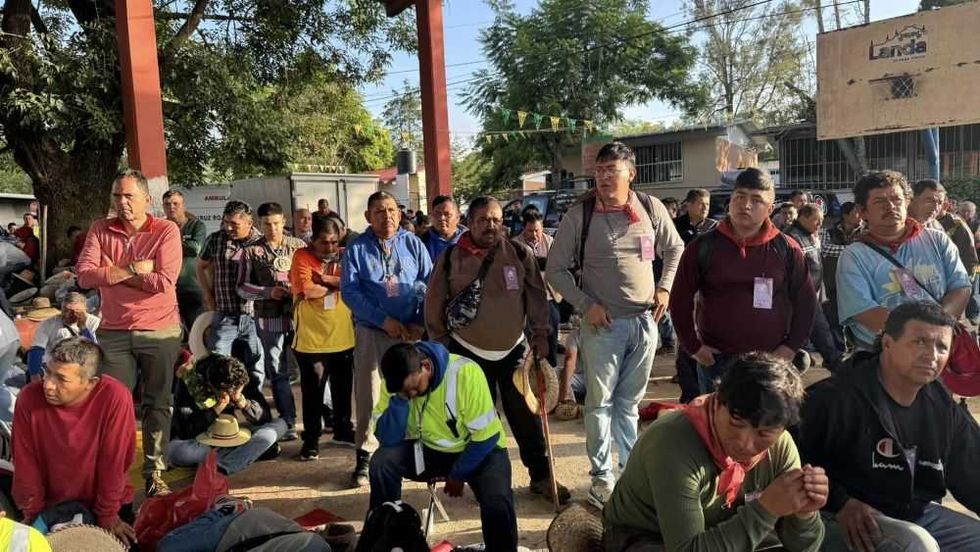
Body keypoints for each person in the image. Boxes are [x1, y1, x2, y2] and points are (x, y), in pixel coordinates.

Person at [546, 142, 684, 507]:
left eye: (613, 170)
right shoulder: (582, 214)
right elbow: (555, 270)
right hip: (602, 326)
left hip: (644, 321)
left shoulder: (651, 208)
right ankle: (602, 480)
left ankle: (631, 477)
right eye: (600, 170)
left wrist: (665, 287)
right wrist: (585, 304)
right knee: (599, 404)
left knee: (629, 404)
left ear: (631, 174)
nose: (605, 177)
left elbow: (676, 248)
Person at [798, 302, 980, 551]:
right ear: (887, 343)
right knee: (917, 545)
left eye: (941, 347)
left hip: (913, 512)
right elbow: (787, 462)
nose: (932, 354)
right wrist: (840, 502)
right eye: (920, 342)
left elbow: (971, 469)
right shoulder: (834, 398)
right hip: (841, 517)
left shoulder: (941, 404)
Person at [604, 353, 827, 552]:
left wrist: (804, 513)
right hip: (645, 536)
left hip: (722, 533)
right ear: (718, 401)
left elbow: (804, 546)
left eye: (763, 434)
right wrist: (766, 509)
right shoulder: (673, 443)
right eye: (736, 422)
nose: (745, 443)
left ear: (781, 429)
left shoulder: (781, 449)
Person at [425, 196, 569, 504]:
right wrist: (442, 348)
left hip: (513, 350)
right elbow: (433, 304)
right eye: (483, 220)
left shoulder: (519, 253)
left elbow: (535, 297)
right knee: (479, 420)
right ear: (470, 222)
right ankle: (485, 480)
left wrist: (541, 334)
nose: (490, 226)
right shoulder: (452, 257)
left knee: (526, 418)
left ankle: (541, 476)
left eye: (496, 220)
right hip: (466, 353)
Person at [75, 169, 183, 497]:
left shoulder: (165, 230)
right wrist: (135, 268)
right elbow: (83, 277)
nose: (121, 203)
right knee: (114, 407)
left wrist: (111, 271)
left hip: (159, 330)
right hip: (114, 332)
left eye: (128, 196)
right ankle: (114, 478)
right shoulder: (100, 228)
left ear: (146, 200)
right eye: (116, 197)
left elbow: (164, 282)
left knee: (158, 404)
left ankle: (155, 472)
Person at [670, 168, 816, 394]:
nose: (745, 205)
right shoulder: (703, 247)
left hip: (770, 361)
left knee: (766, 425)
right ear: (731, 201)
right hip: (716, 361)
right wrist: (694, 347)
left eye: (756, 200)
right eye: (740, 197)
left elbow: (806, 302)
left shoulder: (787, 249)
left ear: (770, 208)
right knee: (719, 426)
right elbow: (680, 298)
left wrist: (790, 347)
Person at [369, 341, 517, 552]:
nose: (412, 394)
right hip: (430, 449)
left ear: (426, 367)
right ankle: (385, 534)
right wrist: (401, 400)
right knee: (382, 462)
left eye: (414, 388)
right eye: (405, 391)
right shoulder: (397, 382)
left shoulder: (465, 373)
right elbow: (388, 439)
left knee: (497, 499)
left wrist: (458, 474)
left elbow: (486, 437)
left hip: (479, 450)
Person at [340, 190, 433, 487]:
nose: (387, 216)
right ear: (368, 216)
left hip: (408, 331)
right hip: (372, 331)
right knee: (369, 393)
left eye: (392, 209)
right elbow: (350, 292)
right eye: (379, 211)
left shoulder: (413, 243)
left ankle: (412, 448)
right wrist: (384, 320)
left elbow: (429, 284)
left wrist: (419, 322)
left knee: (412, 388)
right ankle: (365, 455)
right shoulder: (357, 248)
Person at [12, 338, 137, 546]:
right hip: (49, 507)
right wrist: (35, 516)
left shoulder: (115, 397)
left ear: (91, 383)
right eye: (47, 372)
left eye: (61, 379)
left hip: (107, 503)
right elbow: (26, 463)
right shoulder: (28, 398)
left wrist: (107, 515)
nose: (48, 384)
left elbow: (113, 462)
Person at [836, 171, 971, 351]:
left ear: (908, 202)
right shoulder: (853, 256)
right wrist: (918, 337)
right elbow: (865, 312)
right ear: (862, 211)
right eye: (880, 202)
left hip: (939, 350)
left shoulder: (938, 240)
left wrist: (936, 330)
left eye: (897, 199)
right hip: (884, 357)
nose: (890, 206)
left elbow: (960, 287)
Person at [236, 202, 304, 441]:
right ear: (259, 224)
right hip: (269, 318)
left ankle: (324, 415)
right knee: (277, 370)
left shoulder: (299, 246)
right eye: (267, 224)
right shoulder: (251, 251)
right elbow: (242, 287)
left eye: (276, 223)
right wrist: (267, 291)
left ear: (284, 221)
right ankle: (288, 420)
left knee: (311, 366)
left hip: (300, 316)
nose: (272, 228)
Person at [289, 217, 356, 460]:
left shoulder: (346, 256)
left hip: (342, 336)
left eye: (334, 242)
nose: (329, 247)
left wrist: (326, 280)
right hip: (310, 340)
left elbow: (354, 283)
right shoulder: (301, 257)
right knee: (313, 391)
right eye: (324, 242)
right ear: (312, 240)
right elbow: (307, 291)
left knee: (343, 389)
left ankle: (343, 429)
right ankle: (311, 439)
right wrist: (339, 285)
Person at [169, 354, 285, 475]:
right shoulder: (190, 381)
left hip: (233, 438)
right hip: (201, 443)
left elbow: (264, 418)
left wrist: (243, 402)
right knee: (177, 452)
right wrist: (217, 409)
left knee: (280, 425)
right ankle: (240, 456)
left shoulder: (239, 376)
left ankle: (223, 464)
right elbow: (185, 431)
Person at [197, 201, 265, 396]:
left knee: (256, 365)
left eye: (234, 224)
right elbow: (200, 267)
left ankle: (254, 406)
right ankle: (222, 409)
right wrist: (207, 294)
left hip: (255, 317)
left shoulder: (261, 243)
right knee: (218, 363)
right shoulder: (215, 240)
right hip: (225, 315)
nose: (228, 227)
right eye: (226, 222)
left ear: (249, 222)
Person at [671, 188, 718, 403]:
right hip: (680, 288)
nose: (704, 208)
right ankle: (689, 394)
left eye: (707, 204)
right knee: (685, 341)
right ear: (688, 204)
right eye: (700, 203)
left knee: (704, 339)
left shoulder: (714, 228)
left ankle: (704, 394)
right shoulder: (675, 226)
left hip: (707, 291)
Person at [786, 204, 843, 372]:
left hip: (814, 291)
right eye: (816, 220)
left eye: (821, 221)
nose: (820, 224)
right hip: (802, 294)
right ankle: (834, 361)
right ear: (803, 217)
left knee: (814, 330)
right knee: (821, 329)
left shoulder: (810, 235)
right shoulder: (792, 238)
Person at [513, 209, 561, 366]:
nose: (534, 234)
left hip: (548, 295)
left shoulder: (550, 242)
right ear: (523, 228)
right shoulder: (515, 244)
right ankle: (531, 370)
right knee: (528, 336)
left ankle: (552, 368)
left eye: (537, 230)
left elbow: (557, 266)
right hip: (525, 299)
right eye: (530, 230)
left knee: (552, 331)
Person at [162, 189, 208, 331]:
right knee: (172, 331)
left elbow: (195, 249)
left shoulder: (196, 226)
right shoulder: (160, 227)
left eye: (176, 203)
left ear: (184, 205)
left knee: (196, 331)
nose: (172, 207)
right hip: (167, 289)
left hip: (191, 288)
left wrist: (169, 242)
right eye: (167, 204)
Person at [27, 292, 100, 380]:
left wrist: (83, 328)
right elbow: (36, 350)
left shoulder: (94, 323)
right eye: (65, 310)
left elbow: (93, 351)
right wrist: (34, 375)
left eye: (73, 312)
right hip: (54, 364)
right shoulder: (49, 323)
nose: (67, 315)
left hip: (81, 365)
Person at [820, 201, 863, 350]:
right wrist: (852, 250)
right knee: (834, 319)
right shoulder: (829, 232)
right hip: (833, 282)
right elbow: (825, 249)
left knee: (856, 317)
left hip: (856, 283)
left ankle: (854, 346)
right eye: (856, 213)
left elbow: (865, 251)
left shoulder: (866, 232)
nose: (860, 216)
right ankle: (839, 351)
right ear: (845, 216)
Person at [420, 195, 466, 262]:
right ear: (431, 215)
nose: (442, 218)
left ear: (457, 217)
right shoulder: (422, 242)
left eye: (447, 214)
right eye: (437, 214)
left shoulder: (470, 239)